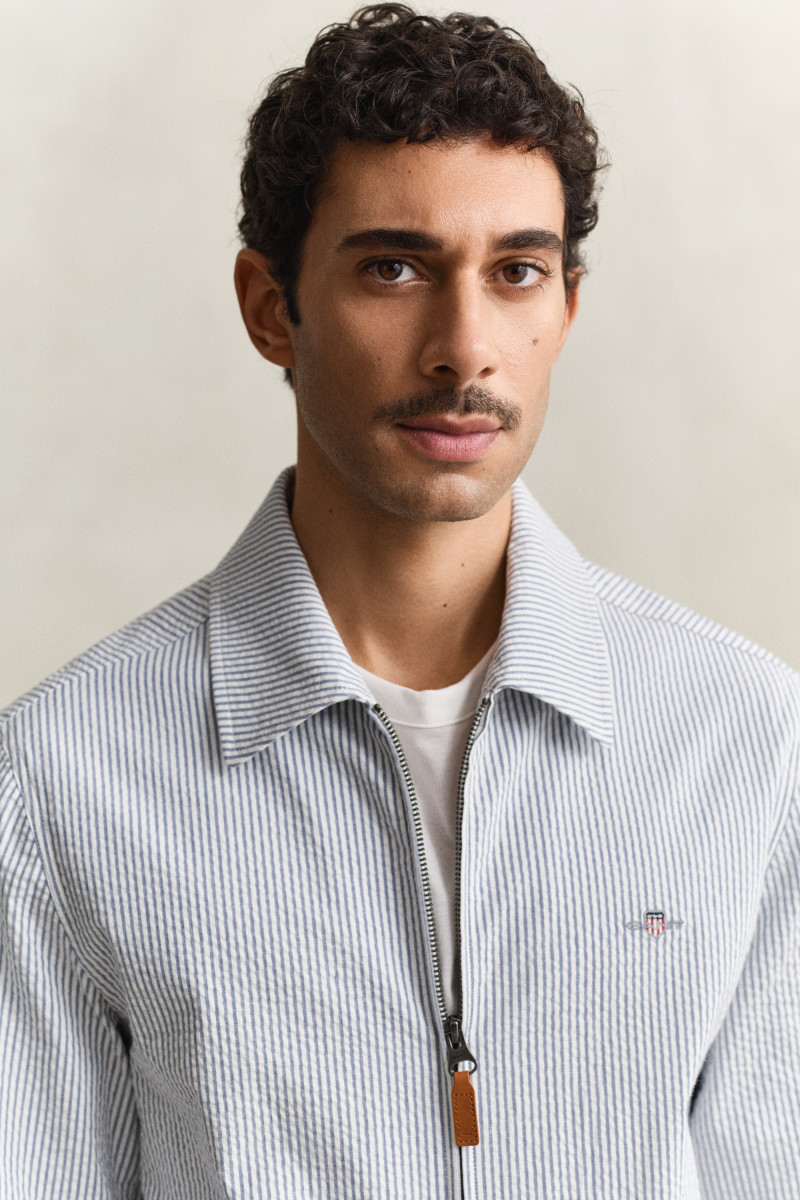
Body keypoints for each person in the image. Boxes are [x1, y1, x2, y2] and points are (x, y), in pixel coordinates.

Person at [1, 4, 798, 1196]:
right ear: (270, 307)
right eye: (393, 268)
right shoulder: (63, 776)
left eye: (515, 272)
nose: (462, 348)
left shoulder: (745, 740)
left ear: (564, 309)